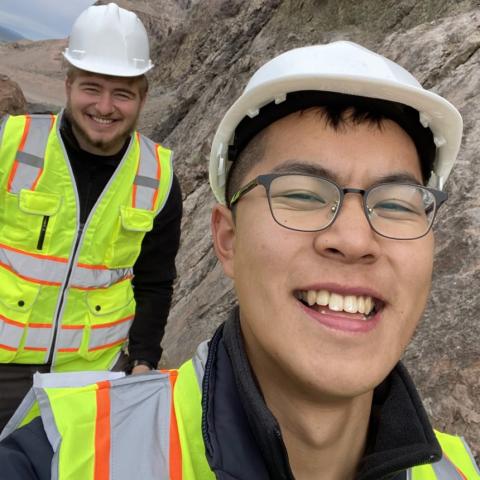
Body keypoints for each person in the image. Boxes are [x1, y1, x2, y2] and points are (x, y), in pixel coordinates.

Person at [1, 41, 479, 480]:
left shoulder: (458, 471)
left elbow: (153, 278)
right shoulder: (61, 451)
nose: (355, 239)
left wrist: (143, 354)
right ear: (227, 240)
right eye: (301, 195)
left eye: (396, 204)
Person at [0, 3, 182, 429]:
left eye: (122, 92)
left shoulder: (157, 177)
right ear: (68, 85)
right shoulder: (12, 144)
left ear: (142, 96)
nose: (104, 107)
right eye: (91, 88)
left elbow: (155, 282)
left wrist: (142, 360)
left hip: (88, 378)